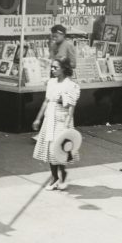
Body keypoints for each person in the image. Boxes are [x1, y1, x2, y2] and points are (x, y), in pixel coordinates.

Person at [32, 59, 81, 189]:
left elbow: (71, 106)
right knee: (49, 148)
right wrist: (38, 118)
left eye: (55, 67)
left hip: (62, 118)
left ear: (63, 69)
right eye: (52, 67)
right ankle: (54, 177)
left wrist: (67, 123)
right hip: (50, 117)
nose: (53, 70)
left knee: (59, 148)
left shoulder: (70, 85)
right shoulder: (51, 83)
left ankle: (62, 173)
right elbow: (46, 101)